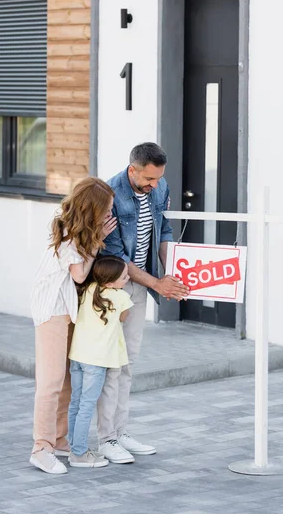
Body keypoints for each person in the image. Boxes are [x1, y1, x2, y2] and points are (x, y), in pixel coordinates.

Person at [97, 142, 190, 464]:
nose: (155, 186)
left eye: (158, 179)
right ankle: (104, 438)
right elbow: (113, 255)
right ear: (132, 169)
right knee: (110, 364)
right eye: (148, 180)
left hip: (140, 287)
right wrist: (157, 283)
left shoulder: (159, 183)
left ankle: (119, 432)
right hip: (113, 288)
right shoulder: (109, 193)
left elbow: (163, 228)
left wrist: (171, 275)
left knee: (127, 363)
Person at [29, 177, 117, 475]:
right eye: (106, 210)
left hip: (68, 311)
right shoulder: (67, 233)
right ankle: (41, 448)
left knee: (66, 380)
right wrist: (96, 243)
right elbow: (79, 275)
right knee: (51, 382)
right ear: (92, 209)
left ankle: (59, 438)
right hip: (52, 311)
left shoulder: (78, 231)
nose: (109, 215)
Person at [67, 255, 132, 468]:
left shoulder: (87, 290)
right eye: (124, 276)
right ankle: (79, 454)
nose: (128, 277)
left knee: (76, 403)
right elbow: (124, 318)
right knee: (87, 405)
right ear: (110, 282)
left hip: (77, 356)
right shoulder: (120, 296)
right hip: (97, 361)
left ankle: (73, 446)